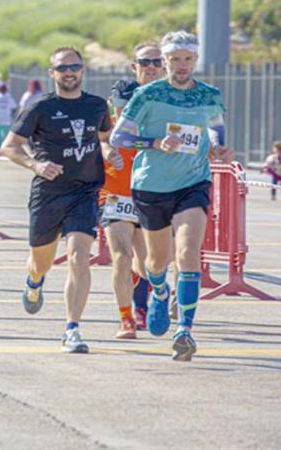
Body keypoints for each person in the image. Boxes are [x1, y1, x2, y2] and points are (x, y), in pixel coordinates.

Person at [111, 30, 234, 362]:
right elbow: (119, 138)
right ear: (165, 61)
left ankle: (186, 331)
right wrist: (154, 143)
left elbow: (216, 129)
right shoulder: (147, 95)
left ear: (196, 60)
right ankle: (160, 292)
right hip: (151, 185)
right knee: (156, 262)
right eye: (175, 59)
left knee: (188, 252)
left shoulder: (209, 94)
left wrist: (220, 149)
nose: (182, 65)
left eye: (188, 59)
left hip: (193, 183)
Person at [0, 47, 115, 354]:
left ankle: (72, 328)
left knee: (79, 256)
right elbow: (10, 147)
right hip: (48, 194)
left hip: (85, 191)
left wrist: (109, 153)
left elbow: (104, 139)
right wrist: (36, 165)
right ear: (52, 73)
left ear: (82, 71)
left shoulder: (96, 105)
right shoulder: (39, 107)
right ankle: (34, 281)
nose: (69, 72)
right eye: (62, 68)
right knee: (42, 262)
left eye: (74, 66)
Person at [101, 43, 164, 339]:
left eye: (156, 61)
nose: (124, 110)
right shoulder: (107, 126)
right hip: (115, 196)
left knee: (150, 262)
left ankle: (152, 290)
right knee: (121, 257)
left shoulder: (158, 115)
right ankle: (125, 317)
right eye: (119, 105)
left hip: (151, 193)